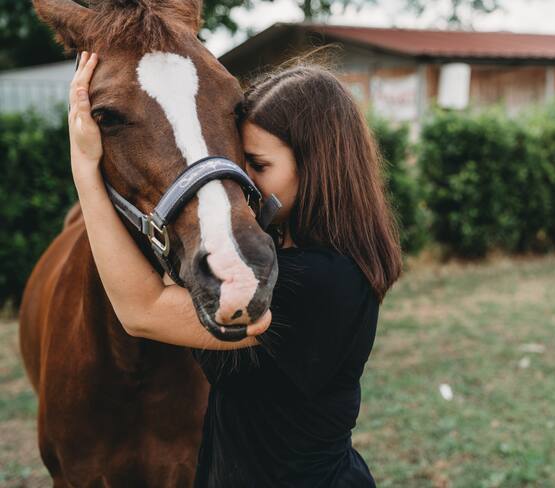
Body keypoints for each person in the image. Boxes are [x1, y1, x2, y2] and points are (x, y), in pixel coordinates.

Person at [68, 51, 402, 487]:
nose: (243, 180)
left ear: (318, 169)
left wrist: (85, 170)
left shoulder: (315, 282)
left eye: (258, 166)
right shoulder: (315, 257)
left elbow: (142, 309)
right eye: (240, 160)